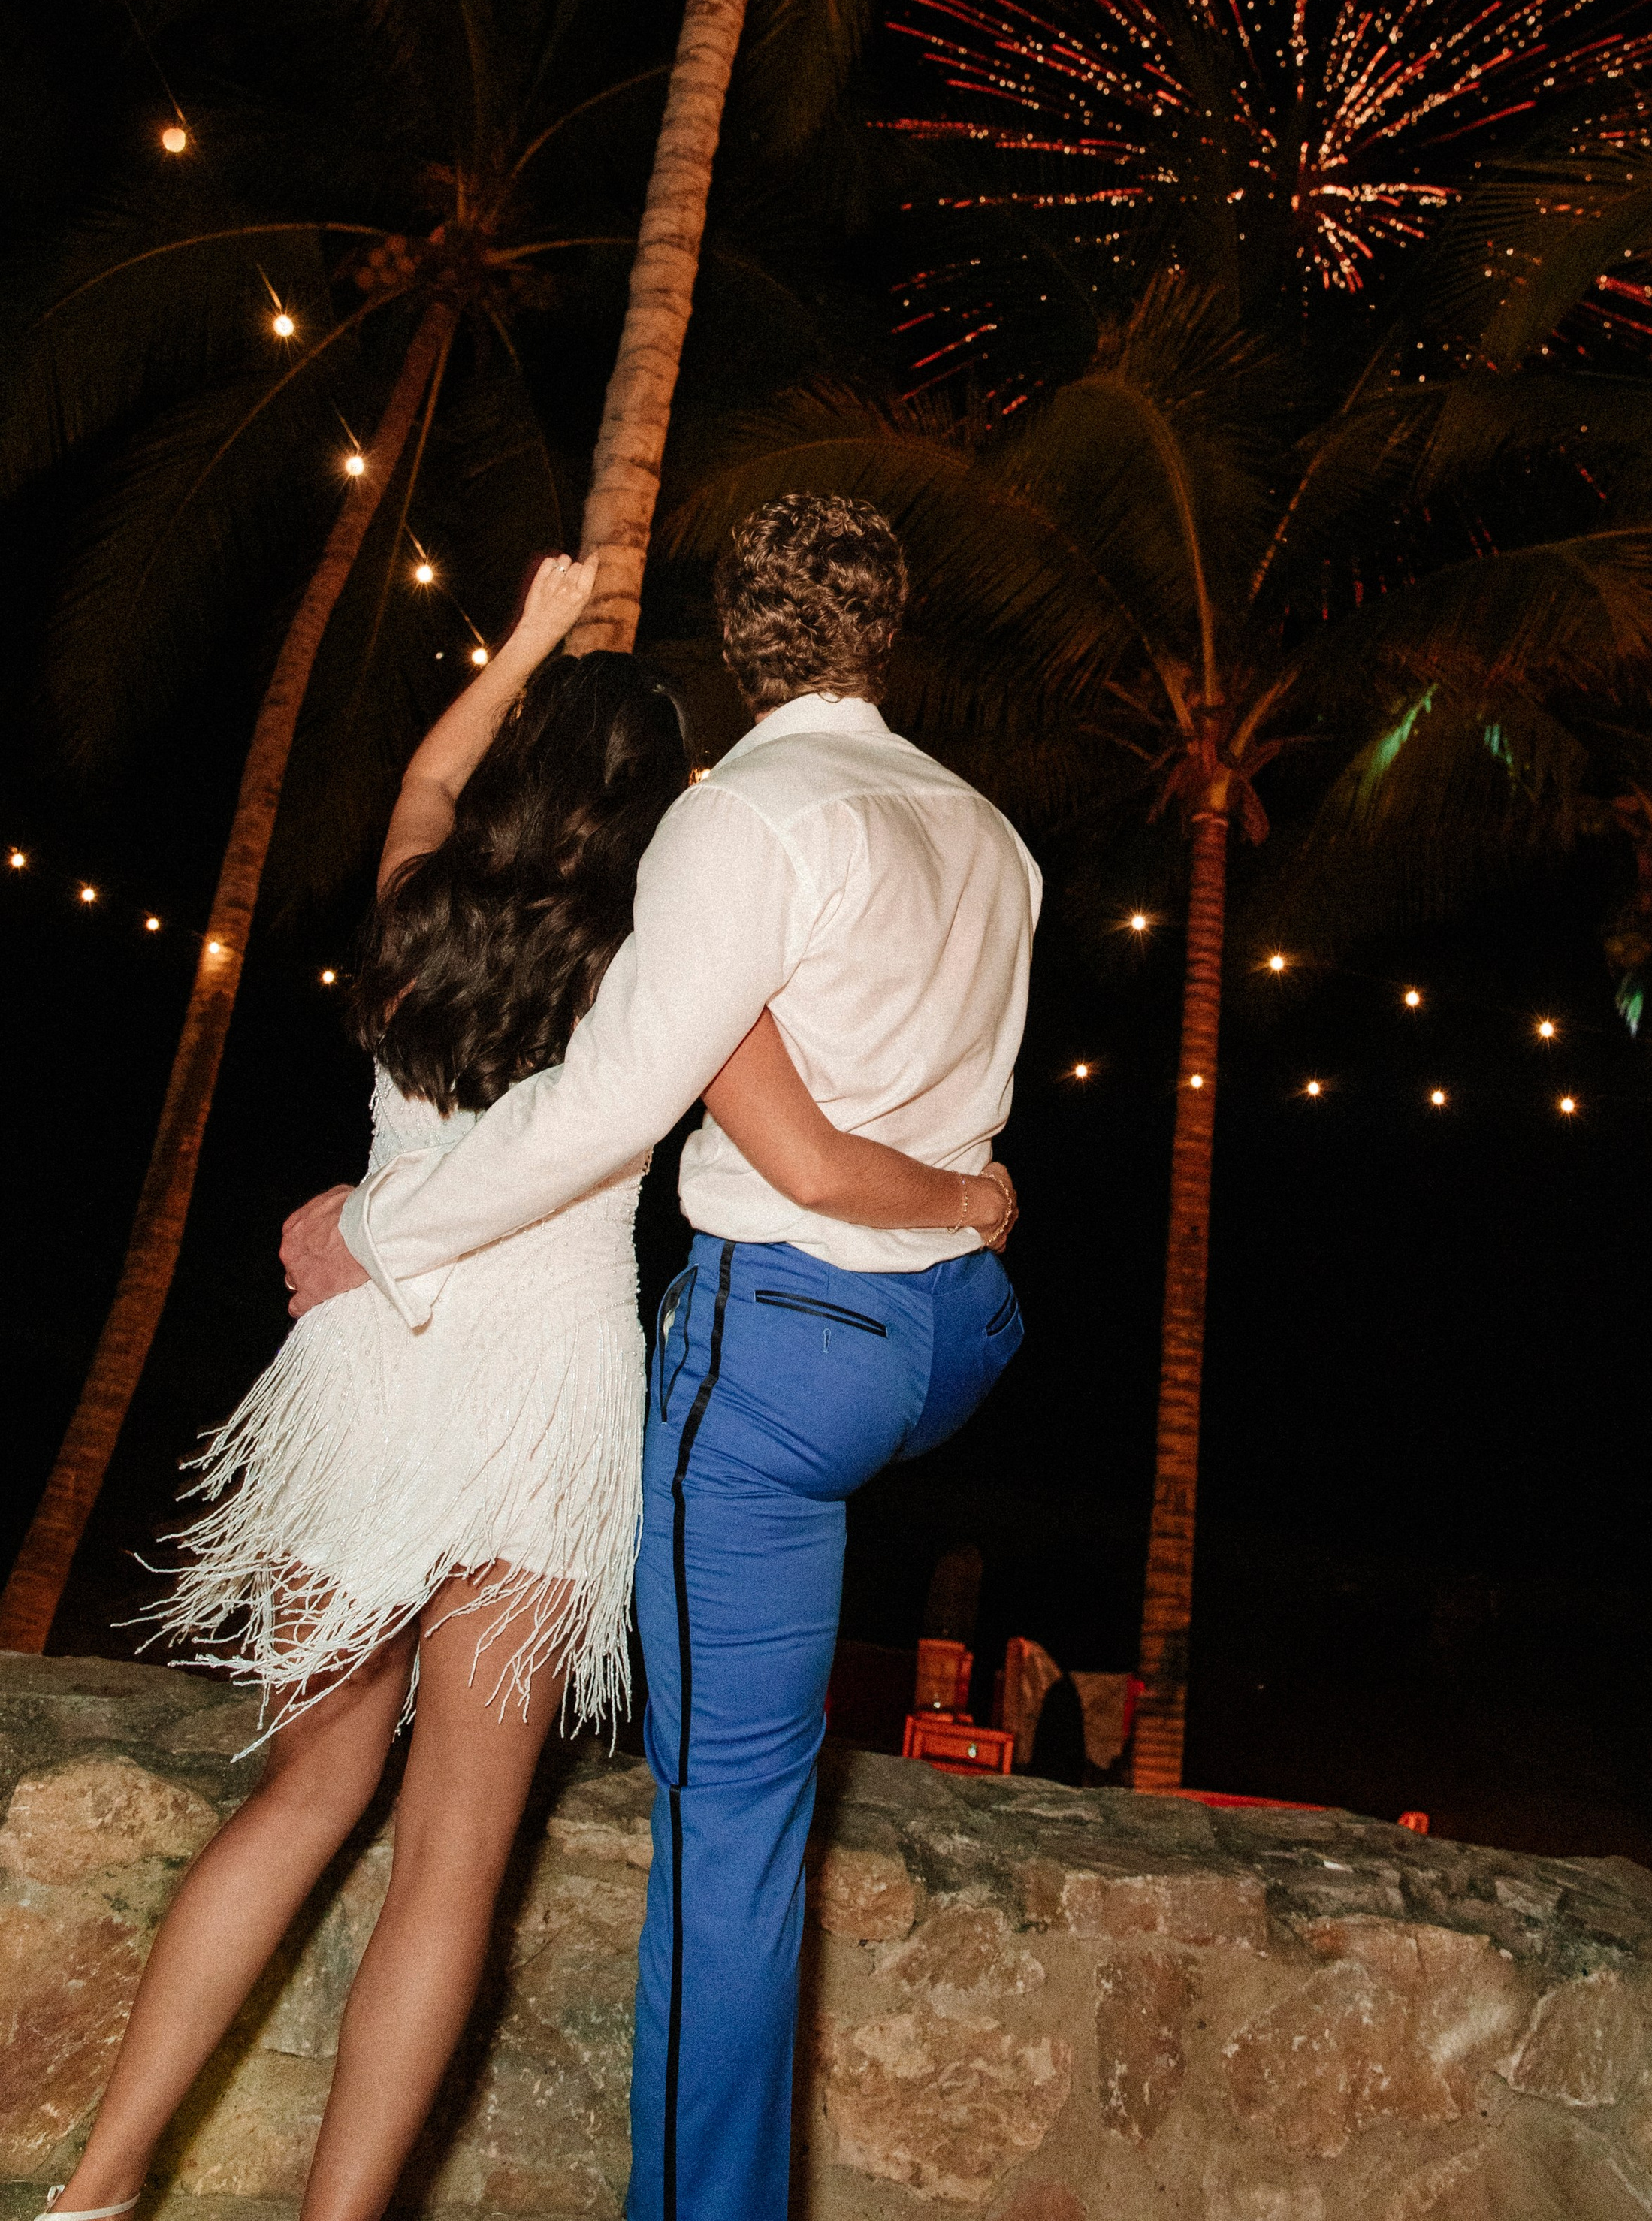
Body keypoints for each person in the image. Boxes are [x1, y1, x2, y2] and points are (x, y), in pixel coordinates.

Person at [49, 547, 1011, 2221]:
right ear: (656, 814)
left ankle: (99, 2191)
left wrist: (531, 633)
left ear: (517, 777)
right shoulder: (661, 960)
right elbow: (779, 1131)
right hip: (540, 1406)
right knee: (452, 1869)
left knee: (302, 1793)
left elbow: (427, 774)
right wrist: (965, 1200)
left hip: (363, 1371)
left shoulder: (417, 904)